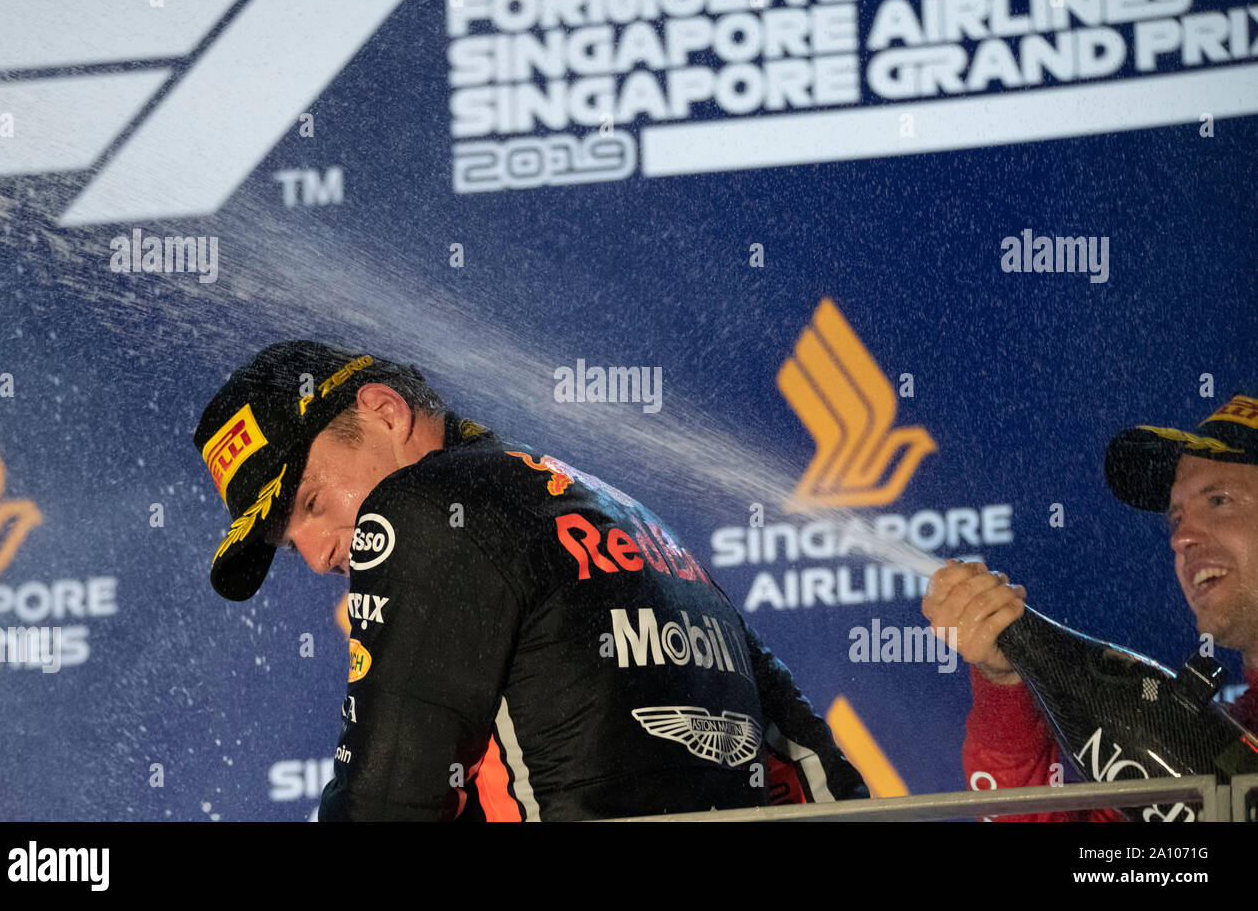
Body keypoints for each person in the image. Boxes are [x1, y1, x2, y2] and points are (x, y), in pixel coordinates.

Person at [194, 340, 868, 820]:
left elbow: (388, 798)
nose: (316, 556)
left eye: (310, 504)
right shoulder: (625, 515)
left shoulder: (421, 508)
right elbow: (819, 776)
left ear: (384, 411)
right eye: (290, 545)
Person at [922, 392, 1258, 821]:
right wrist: (1005, 674)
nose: (1182, 538)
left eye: (1219, 501)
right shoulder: (1224, 737)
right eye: (1176, 518)